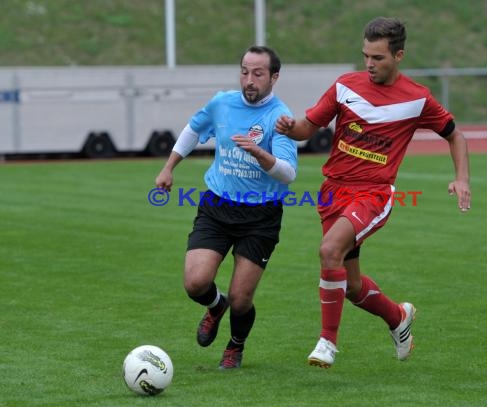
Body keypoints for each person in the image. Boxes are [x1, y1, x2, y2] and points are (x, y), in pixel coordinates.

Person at [275, 16, 471, 368]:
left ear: (399, 56)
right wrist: (290, 129)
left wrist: (462, 178)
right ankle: (398, 318)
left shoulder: (418, 99)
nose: (369, 64)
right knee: (349, 286)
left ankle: (327, 344)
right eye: (366, 55)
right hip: (332, 193)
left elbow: (455, 134)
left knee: (329, 249)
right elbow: (307, 128)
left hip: (373, 195)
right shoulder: (345, 86)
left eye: (378, 58)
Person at [155, 46, 298, 369]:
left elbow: (288, 173)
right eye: (245, 71)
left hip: (260, 215)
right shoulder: (222, 103)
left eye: (258, 73)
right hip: (217, 206)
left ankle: (235, 345)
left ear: (274, 77)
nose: (249, 80)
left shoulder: (280, 118)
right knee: (195, 283)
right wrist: (169, 167)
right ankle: (214, 306)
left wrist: (261, 155)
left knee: (241, 298)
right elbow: (193, 129)